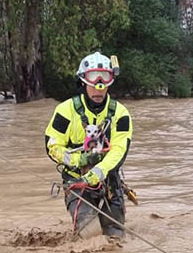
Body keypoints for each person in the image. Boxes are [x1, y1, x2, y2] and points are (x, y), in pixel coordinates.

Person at [44, 52, 133, 237]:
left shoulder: (121, 114)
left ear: (110, 81)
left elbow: (119, 150)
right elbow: (52, 146)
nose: (99, 87)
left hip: (109, 181)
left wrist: (99, 172)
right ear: (83, 81)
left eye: (104, 79)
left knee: (115, 236)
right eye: (93, 79)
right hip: (76, 181)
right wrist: (78, 159)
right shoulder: (65, 111)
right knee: (89, 234)